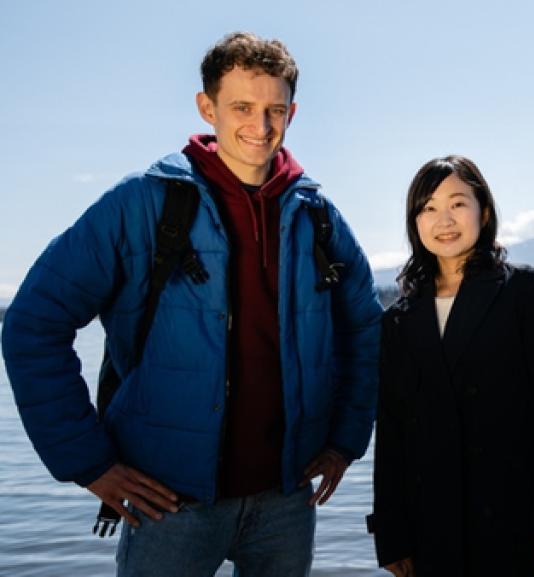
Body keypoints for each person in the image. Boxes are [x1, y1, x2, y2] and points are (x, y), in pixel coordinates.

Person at [1, 32, 381, 576]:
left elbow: (364, 330)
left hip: (285, 500)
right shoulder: (142, 203)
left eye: (275, 109)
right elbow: (32, 324)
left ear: (293, 113)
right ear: (208, 108)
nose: (261, 126)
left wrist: (344, 441)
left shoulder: (316, 215)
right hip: (167, 501)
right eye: (242, 107)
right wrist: (88, 462)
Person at [368, 155, 534, 577]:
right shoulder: (398, 320)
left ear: (484, 211)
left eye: (458, 203)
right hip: (435, 530)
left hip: (523, 523)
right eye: (429, 208)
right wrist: (392, 534)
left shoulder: (523, 293)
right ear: (414, 222)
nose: (445, 220)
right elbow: (393, 435)